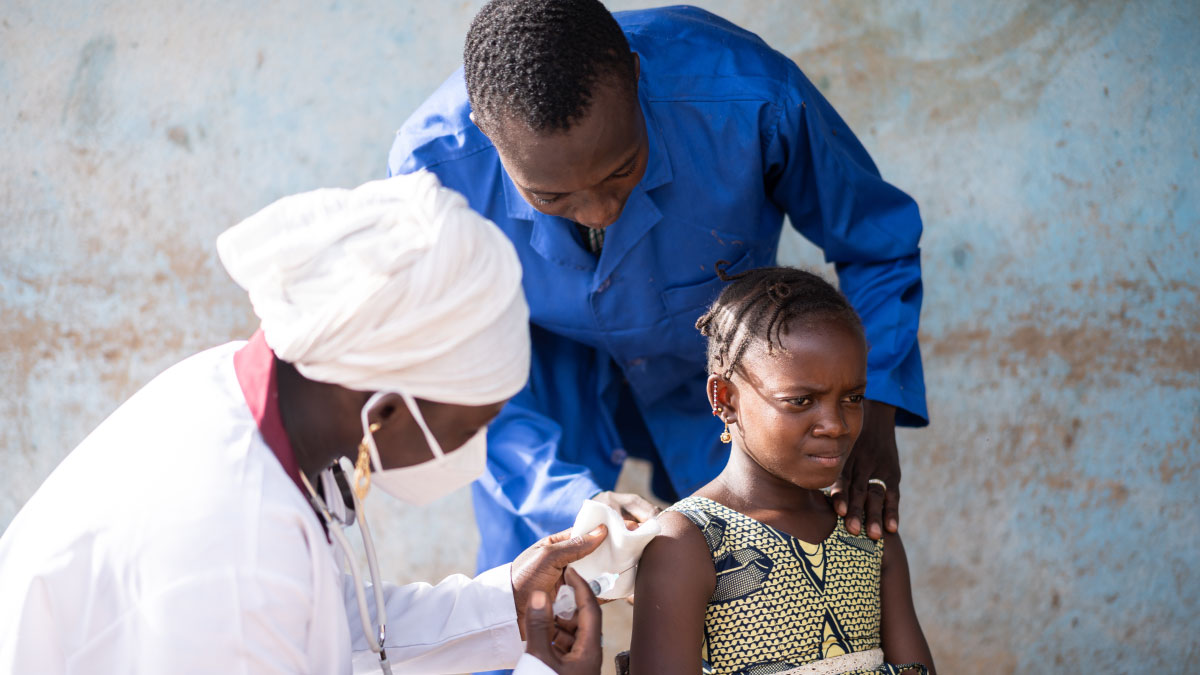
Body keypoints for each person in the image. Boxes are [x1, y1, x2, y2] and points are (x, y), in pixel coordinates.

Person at [386, 0, 927, 578]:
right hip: (537, 373)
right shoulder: (430, 172)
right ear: (485, 135)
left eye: (623, 169)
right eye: (551, 196)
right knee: (529, 592)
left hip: (711, 370)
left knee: (758, 575)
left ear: (638, 78)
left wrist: (874, 410)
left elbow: (876, 245)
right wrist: (567, 499)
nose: (600, 210)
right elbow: (452, 364)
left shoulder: (752, 99)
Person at [0, 171, 604, 675]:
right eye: (473, 424)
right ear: (387, 411)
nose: (475, 447)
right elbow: (262, 608)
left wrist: (505, 606)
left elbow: (322, 624)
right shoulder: (233, 553)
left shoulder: (235, 393)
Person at [628, 266, 935, 675]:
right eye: (801, 401)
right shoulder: (688, 541)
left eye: (853, 397)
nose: (836, 425)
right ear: (727, 399)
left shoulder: (865, 532)